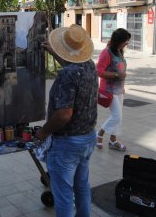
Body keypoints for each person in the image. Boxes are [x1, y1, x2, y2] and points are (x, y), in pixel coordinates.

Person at [35, 24, 98, 217]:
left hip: (67, 143)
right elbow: (73, 67)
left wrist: (44, 131)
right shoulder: (89, 66)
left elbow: (64, 114)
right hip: (87, 138)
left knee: (63, 195)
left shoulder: (67, 75)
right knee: (82, 187)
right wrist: (54, 53)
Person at [96, 28, 131, 151]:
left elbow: (120, 69)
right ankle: (99, 135)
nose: (127, 44)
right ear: (118, 41)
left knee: (118, 117)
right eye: (125, 42)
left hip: (119, 90)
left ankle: (113, 141)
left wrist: (122, 87)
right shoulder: (106, 53)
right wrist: (116, 76)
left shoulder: (119, 51)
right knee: (117, 116)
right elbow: (99, 71)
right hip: (109, 90)